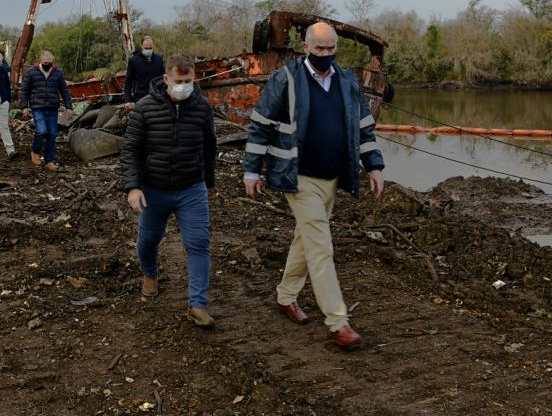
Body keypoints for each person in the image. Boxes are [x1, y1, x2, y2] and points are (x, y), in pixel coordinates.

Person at [243, 22, 385, 350]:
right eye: (319, 49)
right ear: (305, 47)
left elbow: (364, 126)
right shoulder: (287, 79)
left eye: (330, 49)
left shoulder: (348, 82)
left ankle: (285, 296)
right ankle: (338, 322)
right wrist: (251, 171)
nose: (325, 54)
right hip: (299, 177)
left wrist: (374, 165)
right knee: (321, 246)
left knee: (306, 240)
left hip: (334, 177)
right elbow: (260, 126)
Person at [120, 54, 218, 328]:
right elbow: (130, 149)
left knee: (198, 244)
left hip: (191, 189)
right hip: (154, 189)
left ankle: (197, 304)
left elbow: (209, 147)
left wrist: (206, 182)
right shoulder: (145, 107)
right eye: (179, 81)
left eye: (189, 81)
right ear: (166, 79)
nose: (184, 86)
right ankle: (150, 274)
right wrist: (133, 187)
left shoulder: (202, 108)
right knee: (147, 242)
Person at [19, 49, 73, 171]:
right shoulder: (32, 73)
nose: (47, 63)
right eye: (45, 60)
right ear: (41, 59)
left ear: (52, 61)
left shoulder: (58, 73)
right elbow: (25, 90)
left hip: (53, 107)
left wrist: (69, 107)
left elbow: (64, 91)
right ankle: (35, 151)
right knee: (42, 131)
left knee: (52, 134)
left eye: (50, 61)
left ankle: (49, 161)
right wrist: (24, 107)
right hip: (37, 107)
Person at [123, 35, 165, 108]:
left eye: (150, 48)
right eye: (146, 48)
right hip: (141, 97)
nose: (148, 50)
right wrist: (127, 100)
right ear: (141, 46)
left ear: (153, 46)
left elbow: (164, 78)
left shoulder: (159, 59)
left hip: (157, 96)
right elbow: (128, 81)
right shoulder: (134, 60)